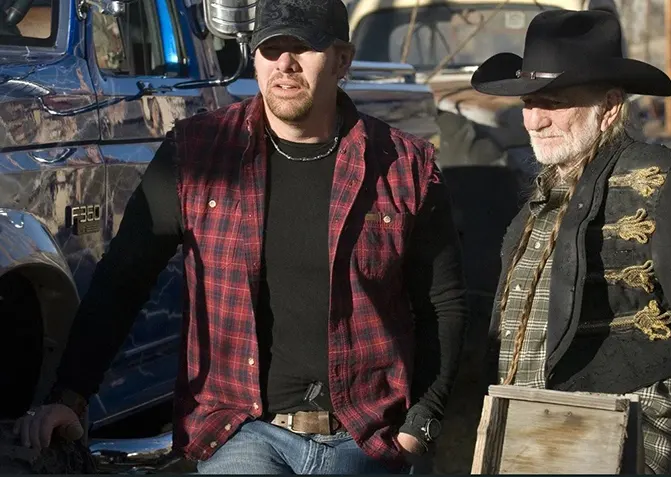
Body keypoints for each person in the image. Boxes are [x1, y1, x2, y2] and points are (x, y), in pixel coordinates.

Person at [14, 0, 470, 473]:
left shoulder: (404, 167)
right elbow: (123, 278)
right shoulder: (198, 154)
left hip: (364, 433)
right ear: (254, 59)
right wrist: (70, 397)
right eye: (271, 49)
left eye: (303, 48)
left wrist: (421, 423)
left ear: (342, 60)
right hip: (241, 430)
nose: (285, 64)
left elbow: (443, 303)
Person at [471, 9, 671, 474]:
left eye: (553, 103)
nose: (534, 121)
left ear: (608, 107)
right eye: (528, 103)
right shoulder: (539, 200)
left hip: (626, 439)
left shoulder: (661, 182)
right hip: (532, 441)